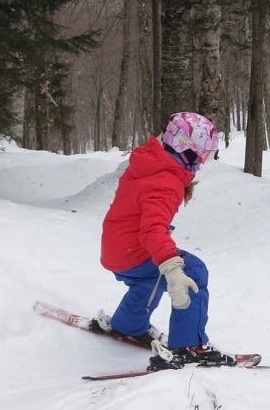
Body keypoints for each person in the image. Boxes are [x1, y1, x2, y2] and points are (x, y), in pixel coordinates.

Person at [94, 111, 234, 369]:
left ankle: (128, 325)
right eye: (202, 156)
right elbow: (153, 229)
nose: (202, 163)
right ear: (188, 152)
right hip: (133, 249)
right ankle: (189, 345)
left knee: (149, 280)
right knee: (193, 270)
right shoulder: (166, 181)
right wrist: (172, 267)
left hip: (115, 247)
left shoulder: (149, 162)